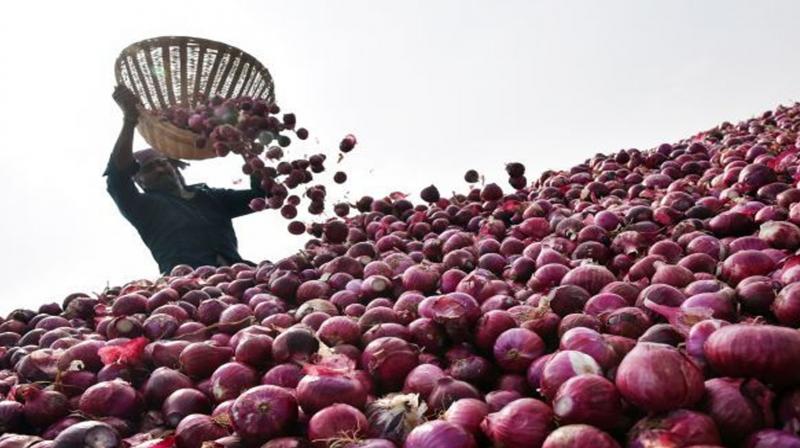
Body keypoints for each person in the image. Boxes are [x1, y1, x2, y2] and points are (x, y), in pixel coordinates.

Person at [105, 85, 266, 275]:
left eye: (161, 163)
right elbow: (117, 176)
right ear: (140, 182)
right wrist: (130, 119)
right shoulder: (143, 207)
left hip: (239, 278)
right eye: (148, 169)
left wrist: (245, 147)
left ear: (173, 166)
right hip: (187, 288)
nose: (159, 168)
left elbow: (262, 195)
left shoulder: (210, 197)